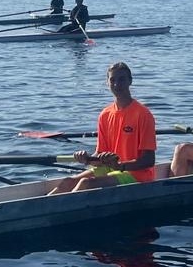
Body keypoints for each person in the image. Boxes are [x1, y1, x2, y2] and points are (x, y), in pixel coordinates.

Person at [49, 62, 157, 194]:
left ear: (130, 81)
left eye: (122, 79)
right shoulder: (105, 115)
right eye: (112, 80)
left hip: (137, 175)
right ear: (108, 83)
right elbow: (99, 157)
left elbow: (149, 160)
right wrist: (87, 159)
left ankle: (58, 211)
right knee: (68, 182)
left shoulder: (143, 114)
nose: (117, 84)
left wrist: (120, 166)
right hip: (111, 169)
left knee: (86, 183)